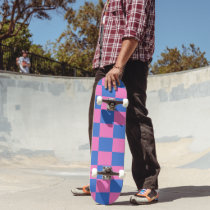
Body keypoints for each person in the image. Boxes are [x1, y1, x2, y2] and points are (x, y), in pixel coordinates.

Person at [72, 0, 160, 205]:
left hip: (129, 62)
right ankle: (102, 181)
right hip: (107, 64)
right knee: (98, 122)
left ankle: (148, 185)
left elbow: (134, 28)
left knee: (136, 121)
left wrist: (119, 66)